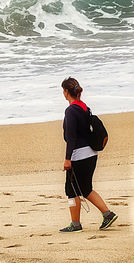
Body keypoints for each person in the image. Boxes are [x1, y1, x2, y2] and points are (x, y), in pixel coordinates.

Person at [60, 77, 118, 233]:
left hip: (79, 155)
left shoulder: (71, 110)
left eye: (63, 91)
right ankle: (108, 214)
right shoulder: (85, 107)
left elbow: (71, 137)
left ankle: (75, 224)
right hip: (91, 153)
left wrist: (67, 159)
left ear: (66, 92)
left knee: (71, 190)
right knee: (86, 188)